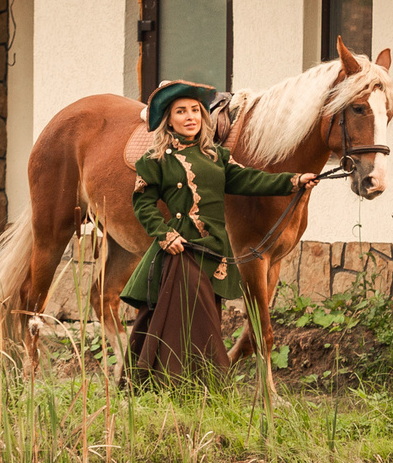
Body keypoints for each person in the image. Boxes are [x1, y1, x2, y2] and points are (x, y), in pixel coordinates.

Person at [121, 82, 315, 380]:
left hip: (212, 252)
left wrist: (293, 181)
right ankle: (194, 384)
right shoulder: (155, 160)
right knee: (193, 321)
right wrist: (164, 234)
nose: (190, 117)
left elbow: (250, 181)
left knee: (203, 316)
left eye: (195, 111)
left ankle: (185, 385)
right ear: (168, 120)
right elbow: (143, 204)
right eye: (181, 111)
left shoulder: (216, 157)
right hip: (181, 250)